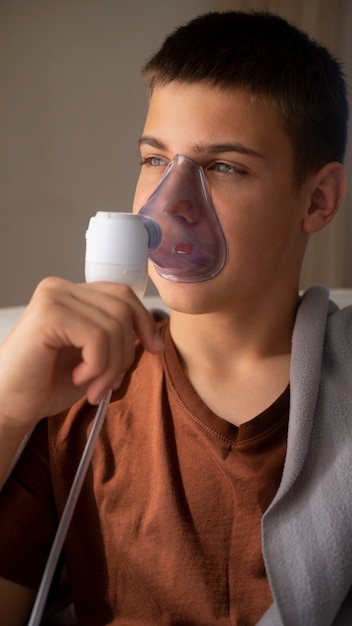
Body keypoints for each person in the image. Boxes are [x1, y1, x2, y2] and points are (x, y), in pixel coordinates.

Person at [0, 9, 351, 626]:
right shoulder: (79, 398)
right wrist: (5, 413)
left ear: (317, 199)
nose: (171, 204)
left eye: (224, 167)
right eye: (156, 160)